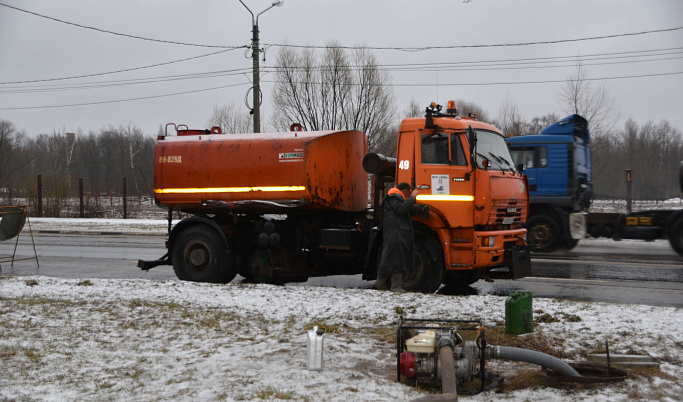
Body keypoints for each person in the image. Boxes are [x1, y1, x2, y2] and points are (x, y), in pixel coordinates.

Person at [374, 182, 419, 292]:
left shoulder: (394, 198)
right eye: (408, 192)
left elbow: (403, 210)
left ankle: (380, 283)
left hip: (394, 234)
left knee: (389, 259)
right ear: (404, 190)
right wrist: (412, 198)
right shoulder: (394, 198)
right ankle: (395, 287)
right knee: (397, 260)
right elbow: (401, 209)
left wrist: (419, 209)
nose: (408, 194)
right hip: (395, 235)